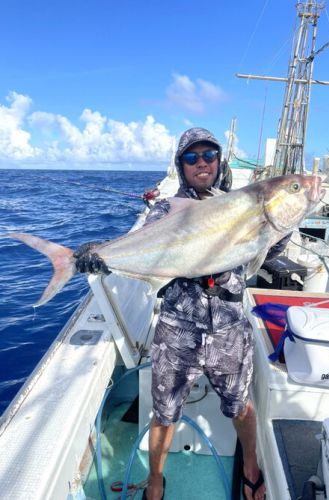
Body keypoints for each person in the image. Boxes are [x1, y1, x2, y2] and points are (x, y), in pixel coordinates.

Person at [75, 127, 287, 500]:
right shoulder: (166, 208)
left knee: (240, 405)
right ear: (181, 165)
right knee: (164, 412)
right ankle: (156, 479)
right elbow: (145, 241)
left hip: (228, 326)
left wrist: (281, 225)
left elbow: (262, 255)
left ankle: (251, 468)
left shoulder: (240, 203)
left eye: (209, 155)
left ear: (219, 162)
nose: (201, 162)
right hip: (177, 327)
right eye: (192, 157)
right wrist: (104, 254)